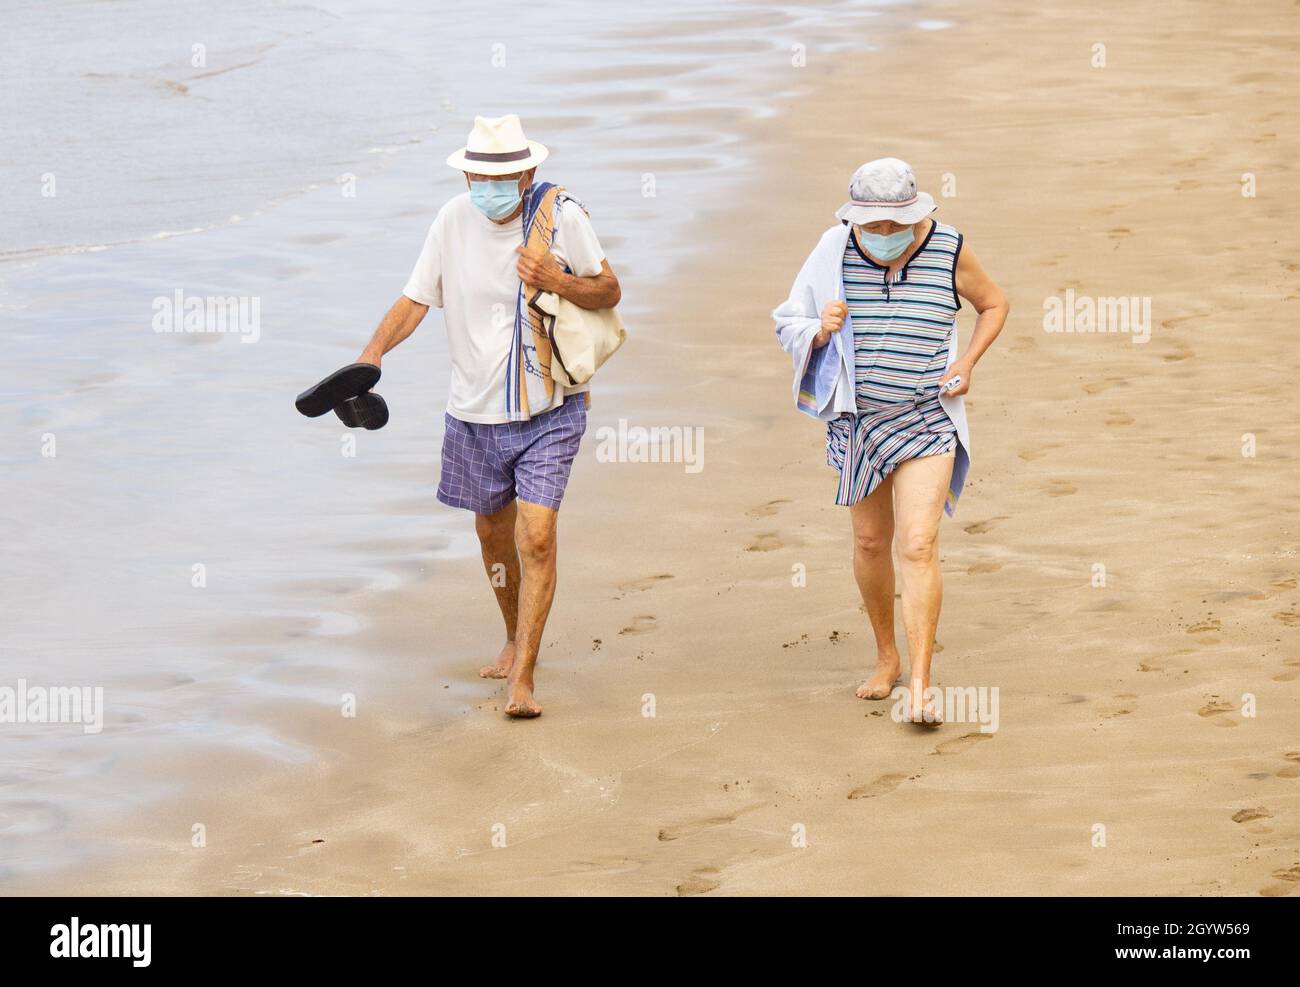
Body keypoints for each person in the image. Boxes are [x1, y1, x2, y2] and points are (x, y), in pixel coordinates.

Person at [357, 114, 621, 718]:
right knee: (491, 534)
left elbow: (609, 291)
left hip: (549, 406)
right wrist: (371, 354)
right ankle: (511, 637)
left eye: (502, 175)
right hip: (472, 412)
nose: (489, 186)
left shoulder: (562, 217)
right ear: (468, 173)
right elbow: (417, 296)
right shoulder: (452, 219)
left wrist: (556, 278)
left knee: (537, 535)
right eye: (479, 175)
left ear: (527, 172)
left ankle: (523, 679)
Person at [774, 157, 1008, 725]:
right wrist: (820, 328)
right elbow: (788, 319)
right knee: (872, 543)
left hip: (926, 418)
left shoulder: (950, 249)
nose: (880, 237)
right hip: (858, 422)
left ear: (915, 213)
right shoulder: (833, 248)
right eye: (869, 227)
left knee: (919, 544)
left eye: (891, 225)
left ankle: (922, 684)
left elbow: (994, 304)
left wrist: (968, 362)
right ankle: (886, 655)